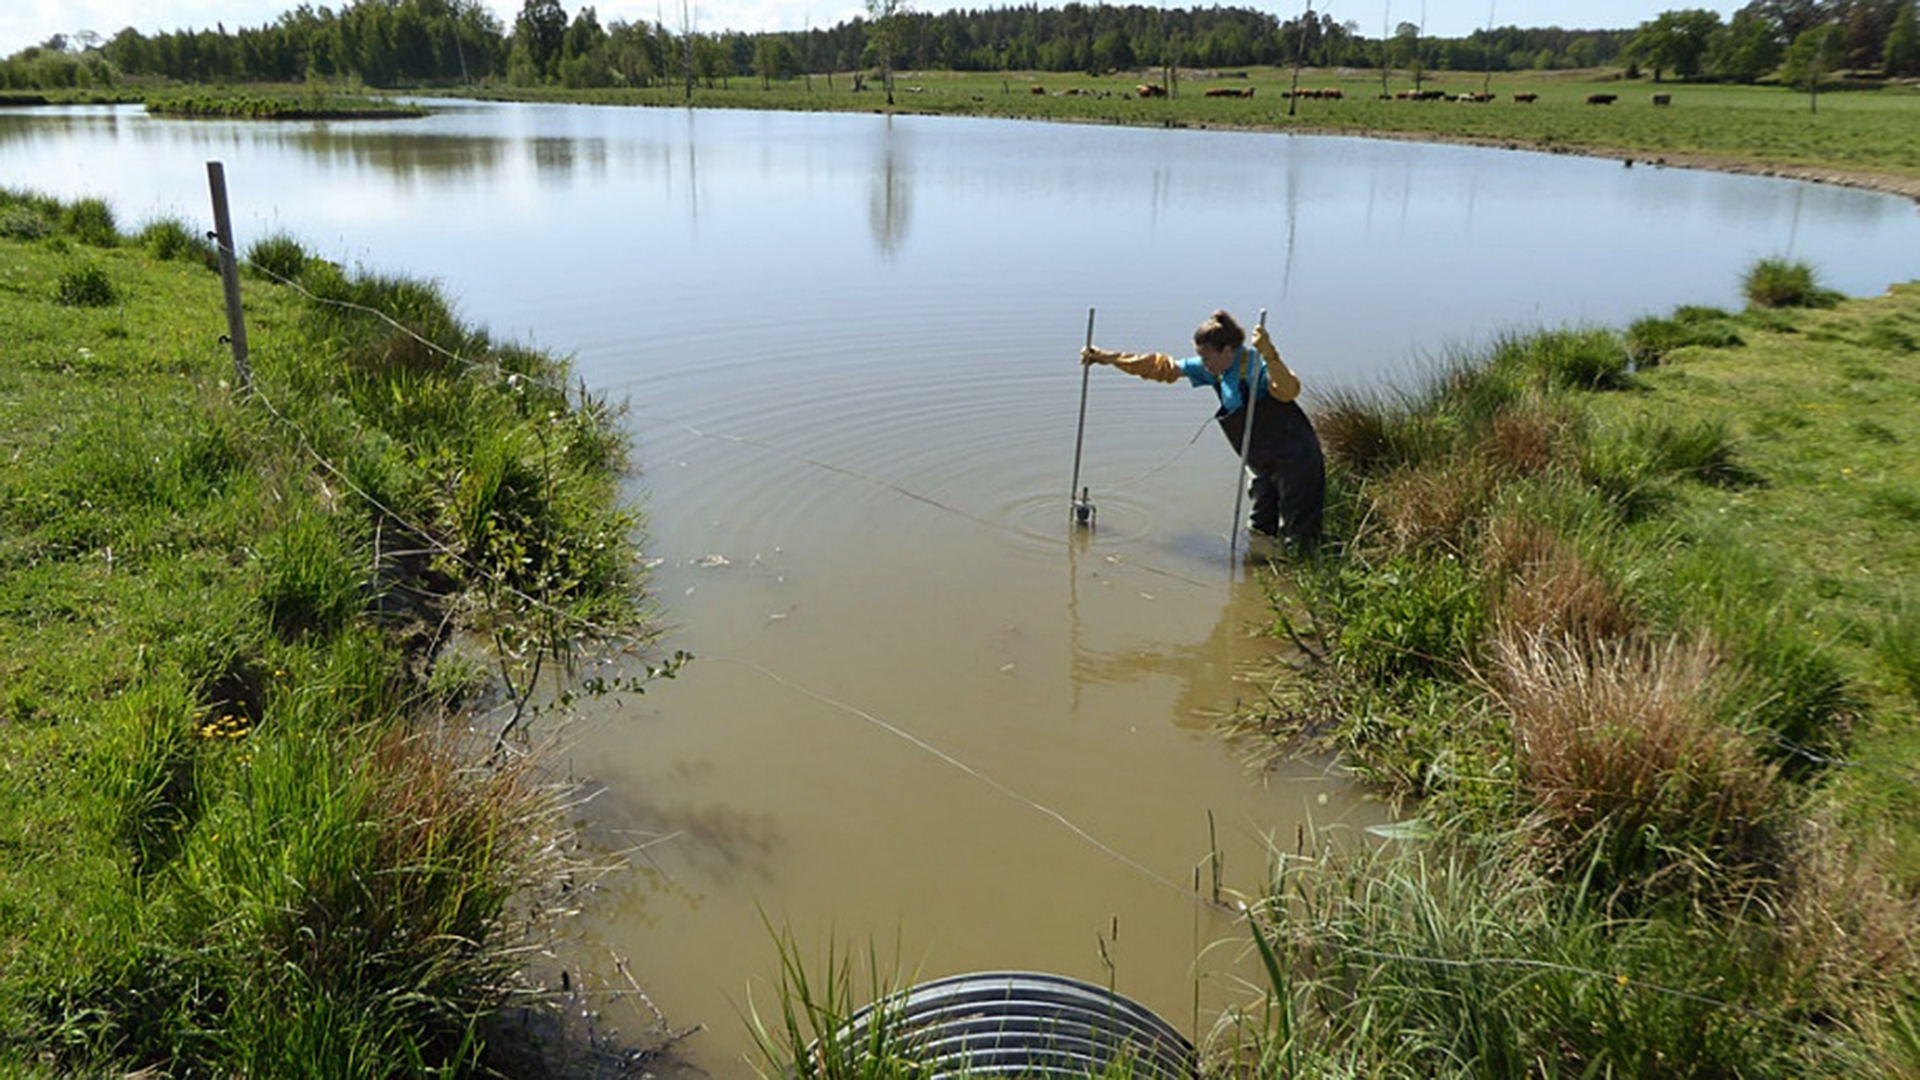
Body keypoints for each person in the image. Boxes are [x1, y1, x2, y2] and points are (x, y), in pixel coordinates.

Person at [1082, 309, 1324, 547]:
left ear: (1227, 350)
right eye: (1201, 358)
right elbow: (1161, 368)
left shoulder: (1255, 367)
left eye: (1207, 358)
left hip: (1295, 459)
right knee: (1260, 529)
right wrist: (1108, 358)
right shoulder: (1215, 370)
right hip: (1260, 461)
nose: (1204, 365)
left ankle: (1298, 572)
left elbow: (1288, 390)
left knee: (1298, 535)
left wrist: (1271, 355)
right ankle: (1257, 576)